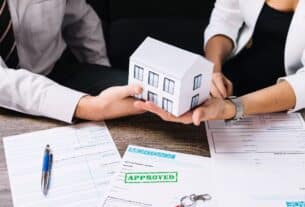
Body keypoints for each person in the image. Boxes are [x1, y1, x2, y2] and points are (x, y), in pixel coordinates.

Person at [135, 0, 304, 125]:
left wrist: (231, 108)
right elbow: (224, 21)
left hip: (288, 103)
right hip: (232, 82)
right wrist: (213, 71)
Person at [0, 0, 144, 123]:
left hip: (55, 72)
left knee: (141, 95)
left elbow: (80, 18)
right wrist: (88, 107)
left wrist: (100, 71)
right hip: (4, 100)